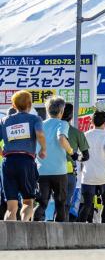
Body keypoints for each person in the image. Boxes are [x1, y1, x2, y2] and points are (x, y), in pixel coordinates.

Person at [0, 90, 46, 221]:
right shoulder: (34, 119)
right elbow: (40, 134)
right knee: (27, 202)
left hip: (8, 162)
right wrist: (43, 149)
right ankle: (24, 228)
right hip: (26, 161)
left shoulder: (4, 120)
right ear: (30, 104)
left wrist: (2, 152)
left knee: (11, 207)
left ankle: (9, 238)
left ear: (13, 106)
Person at [34, 96, 73, 222]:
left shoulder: (39, 125)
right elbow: (61, 138)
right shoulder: (63, 123)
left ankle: (33, 229)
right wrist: (71, 151)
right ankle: (60, 234)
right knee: (60, 204)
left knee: (42, 203)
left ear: (47, 110)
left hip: (42, 170)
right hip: (59, 171)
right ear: (61, 112)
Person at [78, 110, 105, 223]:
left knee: (87, 204)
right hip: (104, 175)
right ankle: (104, 227)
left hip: (88, 175)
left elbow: (81, 154)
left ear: (92, 122)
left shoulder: (85, 135)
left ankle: (79, 228)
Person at [60, 103, 89, 221]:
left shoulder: (47, 128)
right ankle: (63, 227)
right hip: (68, 171)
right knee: (66, 203)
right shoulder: (77, 133)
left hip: (47, 170)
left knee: (53, 201)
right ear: (71, 116)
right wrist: (76, 157)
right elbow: (86, 156)